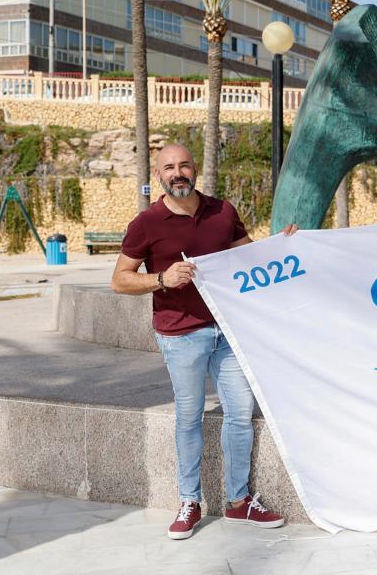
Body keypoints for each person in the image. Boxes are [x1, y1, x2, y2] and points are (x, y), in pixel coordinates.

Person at [111, 143, 297, 540]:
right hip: (181, 335)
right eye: (168, 168)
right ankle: (189, 501)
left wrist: (283, 244)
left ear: (195, 170)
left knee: (240, 413)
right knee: (189, 417)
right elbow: (120, 280)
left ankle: (238, 502)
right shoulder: (146, 223)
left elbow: (251, 258)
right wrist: (162, 278)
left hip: (227, 332)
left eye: (184, 165)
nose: (177, 173)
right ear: (158, 176)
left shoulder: (222, 211)